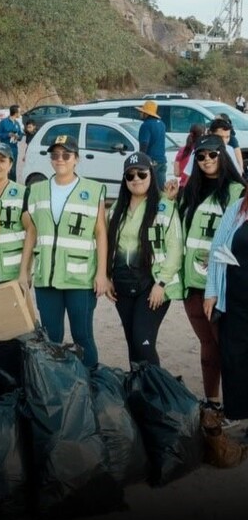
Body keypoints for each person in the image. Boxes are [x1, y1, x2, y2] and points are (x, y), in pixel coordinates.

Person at [18, 135, 108, 368]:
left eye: (66, 155)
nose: (60, 160)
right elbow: (32, 233)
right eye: (55, 155)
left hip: (80, 278)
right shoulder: (37, 190)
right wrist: (24, 270)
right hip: (47, 277)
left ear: (76, 159)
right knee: (51, 337)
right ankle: (56, 387)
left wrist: (101, 273)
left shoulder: (93, 189)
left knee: (83, 335)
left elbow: (100, 233)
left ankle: (92, 384)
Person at [174, 134, 245, 418]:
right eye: (200, 156)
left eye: (212, 155)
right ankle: (212, 401)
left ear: (222, 155)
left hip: (223, 284)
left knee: (228, 348)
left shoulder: (237, 192)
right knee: (207, 345)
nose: (206, 161)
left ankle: (235, 405)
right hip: (192, 281)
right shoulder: (190, 190)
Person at [105, 152, 183, 366]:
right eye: (130, 176)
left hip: (152, 286)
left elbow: (176, 249)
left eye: (141, 173)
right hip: (122, 285)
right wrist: (107, 276)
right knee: (133, 343)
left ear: (151, 175)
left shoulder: (164, 207)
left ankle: (158, 395)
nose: (136, 179)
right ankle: (139, 392)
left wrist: (162, 283)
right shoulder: (115, 211)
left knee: (143, 342)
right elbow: (106, 247)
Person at [204, 194, 248, 426]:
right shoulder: (237, 208)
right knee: (234, 357)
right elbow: (217, 248)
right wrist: (211, 291)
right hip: (234, 297)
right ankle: (238, 413)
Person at [0, 142, 27, 289]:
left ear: (10, 165)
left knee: (10, 313)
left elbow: (31, 234)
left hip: (11, 273)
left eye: (2, 160)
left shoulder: (23, 193)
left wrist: (25, 272)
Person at [136, 100, 168, 188]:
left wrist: (141, 160)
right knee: (161, 188)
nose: (140, 114)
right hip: (162, 160)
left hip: (151, 161)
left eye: (142, 112)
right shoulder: (162, 124)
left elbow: (144, 144)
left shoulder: (145, 125)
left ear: (146, 114)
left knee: (149, 189)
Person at [0, 105, 23, 181]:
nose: (20, 113)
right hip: (5, 149)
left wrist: (18, 137)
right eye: (19, 112)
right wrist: (7, 135)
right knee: (5, 168)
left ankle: (13, 186)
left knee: (13, 169)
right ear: (15, 113)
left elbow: (21, 134)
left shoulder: (17, 123)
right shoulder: (3, 122)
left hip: (14, 149)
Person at [173, 123, 205, 188]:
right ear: (203, 135)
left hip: (183, 186)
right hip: (199, 187)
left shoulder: (182, 150)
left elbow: (177, 173)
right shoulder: (204, 152)